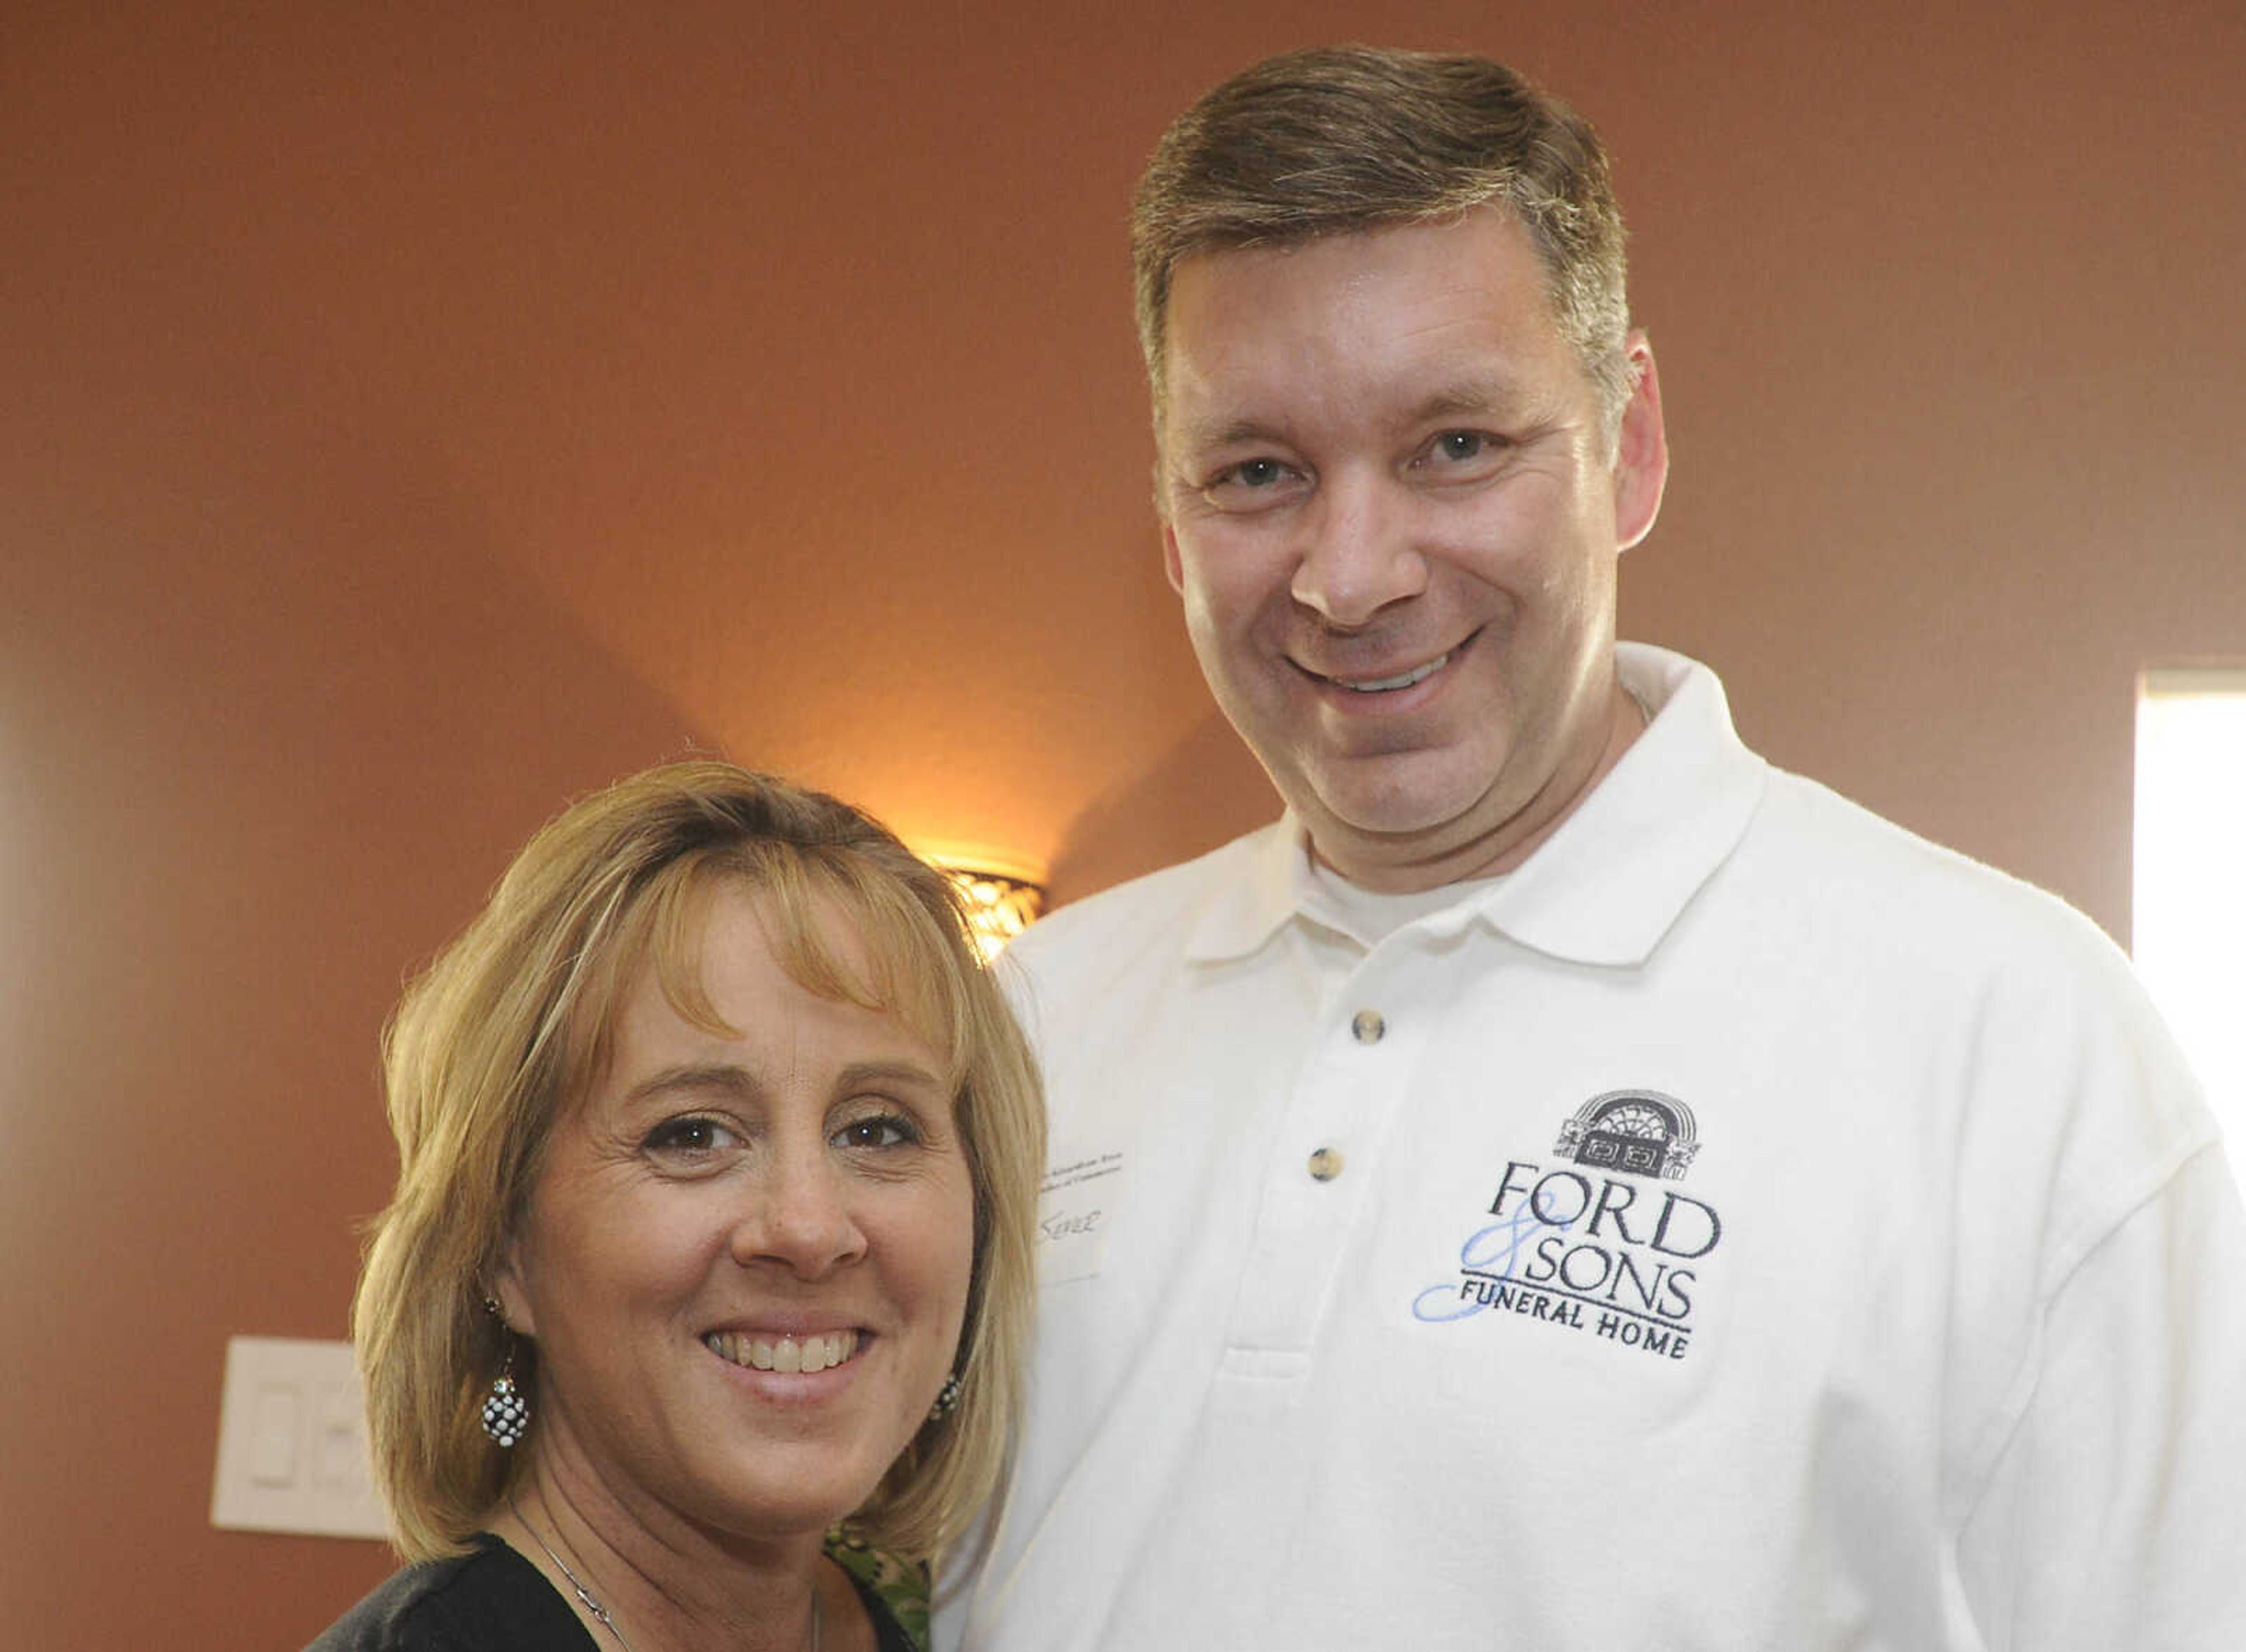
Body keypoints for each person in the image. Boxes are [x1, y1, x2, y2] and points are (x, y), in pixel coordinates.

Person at [938, 44, 2246, 1652]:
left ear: (1627, 443)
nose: (1350, 575)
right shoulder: (1037, 1028)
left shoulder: (2015, 1040)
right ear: (1166, 521)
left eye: (1456, 447)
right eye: (1259, 472)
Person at [312, 762, 1044, 1652]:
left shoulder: (919, 1624)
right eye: (694, 1134)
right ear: (503, 1244)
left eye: (879, 1130)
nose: (809, 1228)